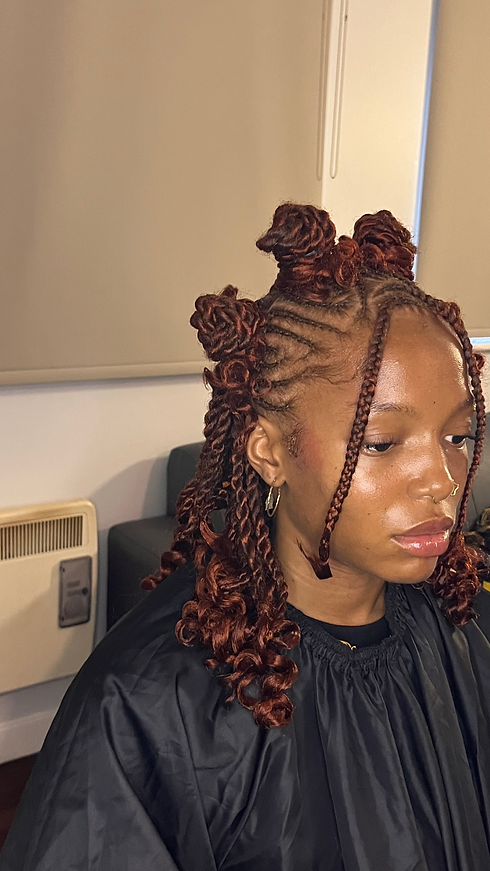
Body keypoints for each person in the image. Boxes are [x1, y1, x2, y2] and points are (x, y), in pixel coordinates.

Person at [1, 203, 488, 871]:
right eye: (382, 441)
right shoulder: (145, 701)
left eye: (459, 435)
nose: (442, 479)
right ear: (268, 450)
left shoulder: (456, 620)